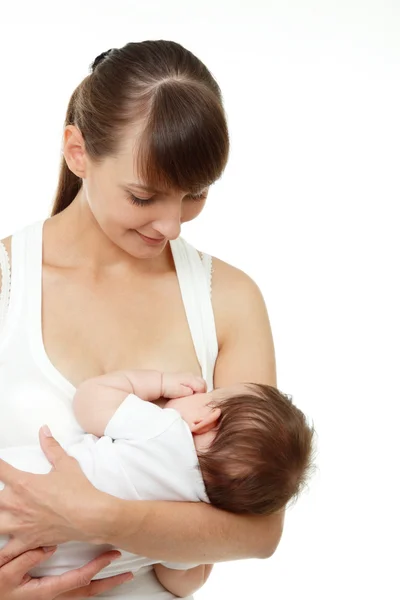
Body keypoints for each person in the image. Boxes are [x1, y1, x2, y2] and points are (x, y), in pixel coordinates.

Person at [0, 40, 284, 599]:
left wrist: (92, 516)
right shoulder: (8, 281)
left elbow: (260, 530)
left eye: (194, 195)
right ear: (77, 152)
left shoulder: (227, 299)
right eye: (143, 196)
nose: (172, 226)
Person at [0, 369, 314, 596]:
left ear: (204, 420)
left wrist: (154, 382)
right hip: (31, 568)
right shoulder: (190, 523)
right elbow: (179, 583)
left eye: (207, 396)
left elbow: (90, 400)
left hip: (16, 489)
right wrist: (201, 559)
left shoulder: (165, 430)